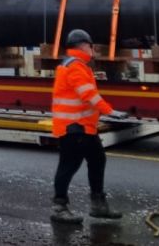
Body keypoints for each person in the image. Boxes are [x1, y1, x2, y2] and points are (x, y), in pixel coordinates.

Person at [50, 29, 124, 224]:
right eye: (92, 46)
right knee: (69, 165)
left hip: (81, 126)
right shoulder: (75, 66)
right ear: (84, 46)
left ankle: (97, 204)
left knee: (97, 159)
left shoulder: (75, 65)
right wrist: (110, 111)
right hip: (74, 127)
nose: (93, 50)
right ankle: (60, 207)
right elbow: (88, 94)